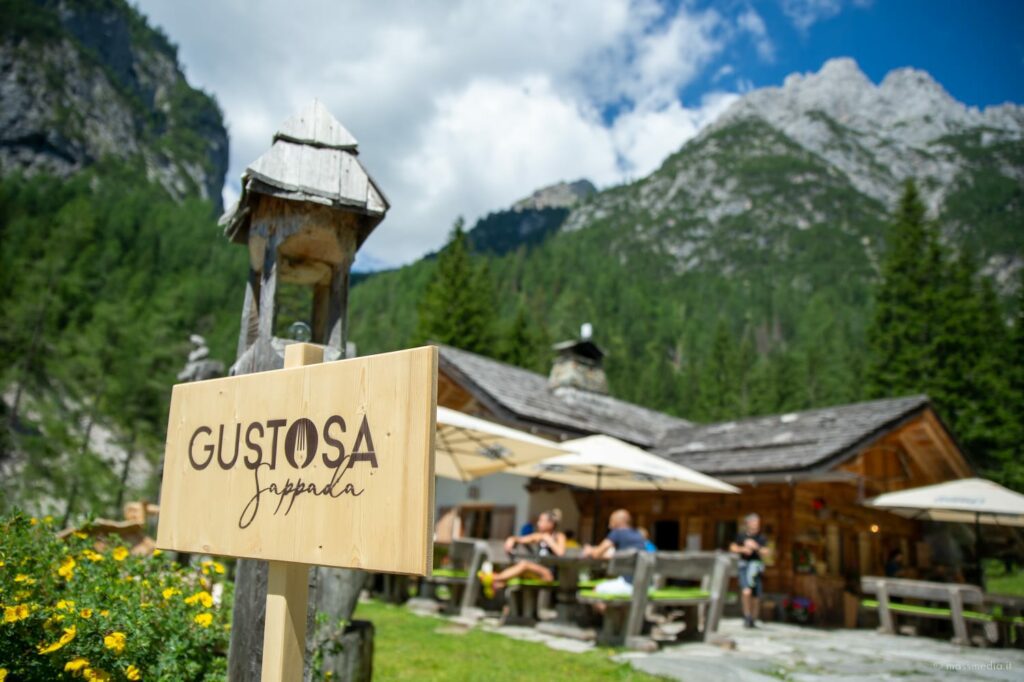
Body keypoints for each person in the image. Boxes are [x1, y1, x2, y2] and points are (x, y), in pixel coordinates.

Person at [478, 509, 565, 597]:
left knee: (525, 564)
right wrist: (512, 539)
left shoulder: (559, 536)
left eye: (542, 520)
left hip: (550, 574)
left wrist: (548, 539)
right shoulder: (538, 536)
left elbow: (560, 553)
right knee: (521, 570)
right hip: (537, 572)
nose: (538, 523)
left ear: (551, 524)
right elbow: (522, 539)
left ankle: (494, 578)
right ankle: (498, 584)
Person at [730, 513, 770, 628]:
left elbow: (767, 552)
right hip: (744, 566)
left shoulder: (761, 538)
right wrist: (743, 549)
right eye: (754, 522)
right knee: (746, 591)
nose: (756, 525)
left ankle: (753, 618)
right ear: (748, 523)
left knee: (756, 596)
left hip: (756, 567)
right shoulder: (741, 536)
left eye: (758, 523)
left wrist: (756, 547)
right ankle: (747, 616)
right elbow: (732, 547)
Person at [582, 509, 647, 559]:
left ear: (618, 522)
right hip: (637, 571)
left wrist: (590, 550)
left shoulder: (617, 533)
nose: (609, 526)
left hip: (621, 572)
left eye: (611, 521)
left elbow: (597, 554)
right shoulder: (638, 534)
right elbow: (623, 555)